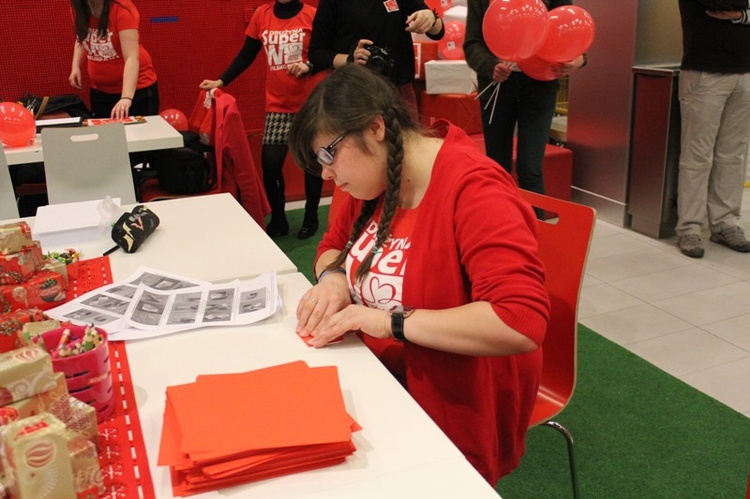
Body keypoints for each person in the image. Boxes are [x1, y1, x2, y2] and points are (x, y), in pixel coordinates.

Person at [288, 64, 550, 484]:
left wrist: (385, 321)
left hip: (453, 402)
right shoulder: (371, 180)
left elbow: (519, 322)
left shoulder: (474, 189)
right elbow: (330, 248)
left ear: (375, 128)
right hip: (375, 377)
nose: (326, 174)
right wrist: (335, 278)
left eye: (328, 153)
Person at [200, 0, 327, 239]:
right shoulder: (262, 15)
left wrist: (309, 66)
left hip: (311, 103)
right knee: (270, 164)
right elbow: (247, 54)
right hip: (278, 105)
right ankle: (278, 219)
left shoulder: (313, 15)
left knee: (312, 164)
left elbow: (324, 56)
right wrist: (221, 81)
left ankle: (312, 216)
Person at [464, 0, 585, 203]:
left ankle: (534, 232)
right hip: (497, 87)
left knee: (530, 169)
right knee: (497, 167)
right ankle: (497, 228)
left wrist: (577, 59)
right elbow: (472, 43)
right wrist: (489, 65)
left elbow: (570, 30)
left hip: (540, 86)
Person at [674, 0, 750, 258]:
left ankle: (725, 222)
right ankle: (689, 227)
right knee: (697, 156)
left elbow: (734, 6)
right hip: (704, 71)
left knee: (734, 154)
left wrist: (740, 14)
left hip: (745, 71)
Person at [307, 0, 444, 118]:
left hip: (398, 91)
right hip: (353, 92)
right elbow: (317, 53)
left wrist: (430, 18)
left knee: (408, 145)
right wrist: (350, 59)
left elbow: (438, 32)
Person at [69, 0, 159, 119]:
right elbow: (82, 37)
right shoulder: (78, 9)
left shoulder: (122, 9)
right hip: (100, 91)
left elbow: (132, 57)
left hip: (137, 91)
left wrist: (126, 97)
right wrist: (76, 66)